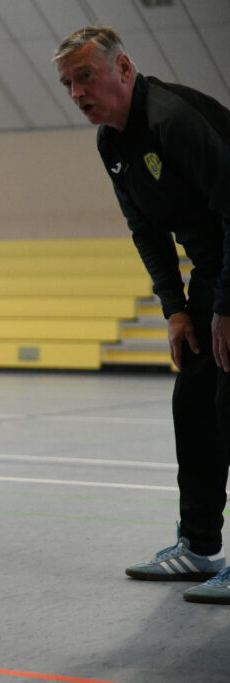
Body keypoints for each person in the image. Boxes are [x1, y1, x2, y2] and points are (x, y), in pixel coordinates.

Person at [54, 26, 230, 605]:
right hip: (212, 270)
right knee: (194, 400)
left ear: (124, 69)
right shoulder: (112, 141)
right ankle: (199, 545)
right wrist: (177, 311)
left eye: (85, 76)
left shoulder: (173, 121)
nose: (77, 93)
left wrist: (226, 306)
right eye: (67, 83)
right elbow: (146, 230)